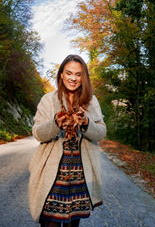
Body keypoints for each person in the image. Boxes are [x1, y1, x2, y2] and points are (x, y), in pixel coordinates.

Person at [28, 54, 107, 227]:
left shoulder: (91, 101)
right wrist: (55, 123)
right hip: (53, 175)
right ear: (61, 74)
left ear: (83, 77)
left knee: (73, 224)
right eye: (69, 73)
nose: (73, 78)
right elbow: (38, 133)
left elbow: (101, 133)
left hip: (80, 174)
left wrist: (87, 123)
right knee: (49, 223)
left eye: (78, 74)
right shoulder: (48, 100)